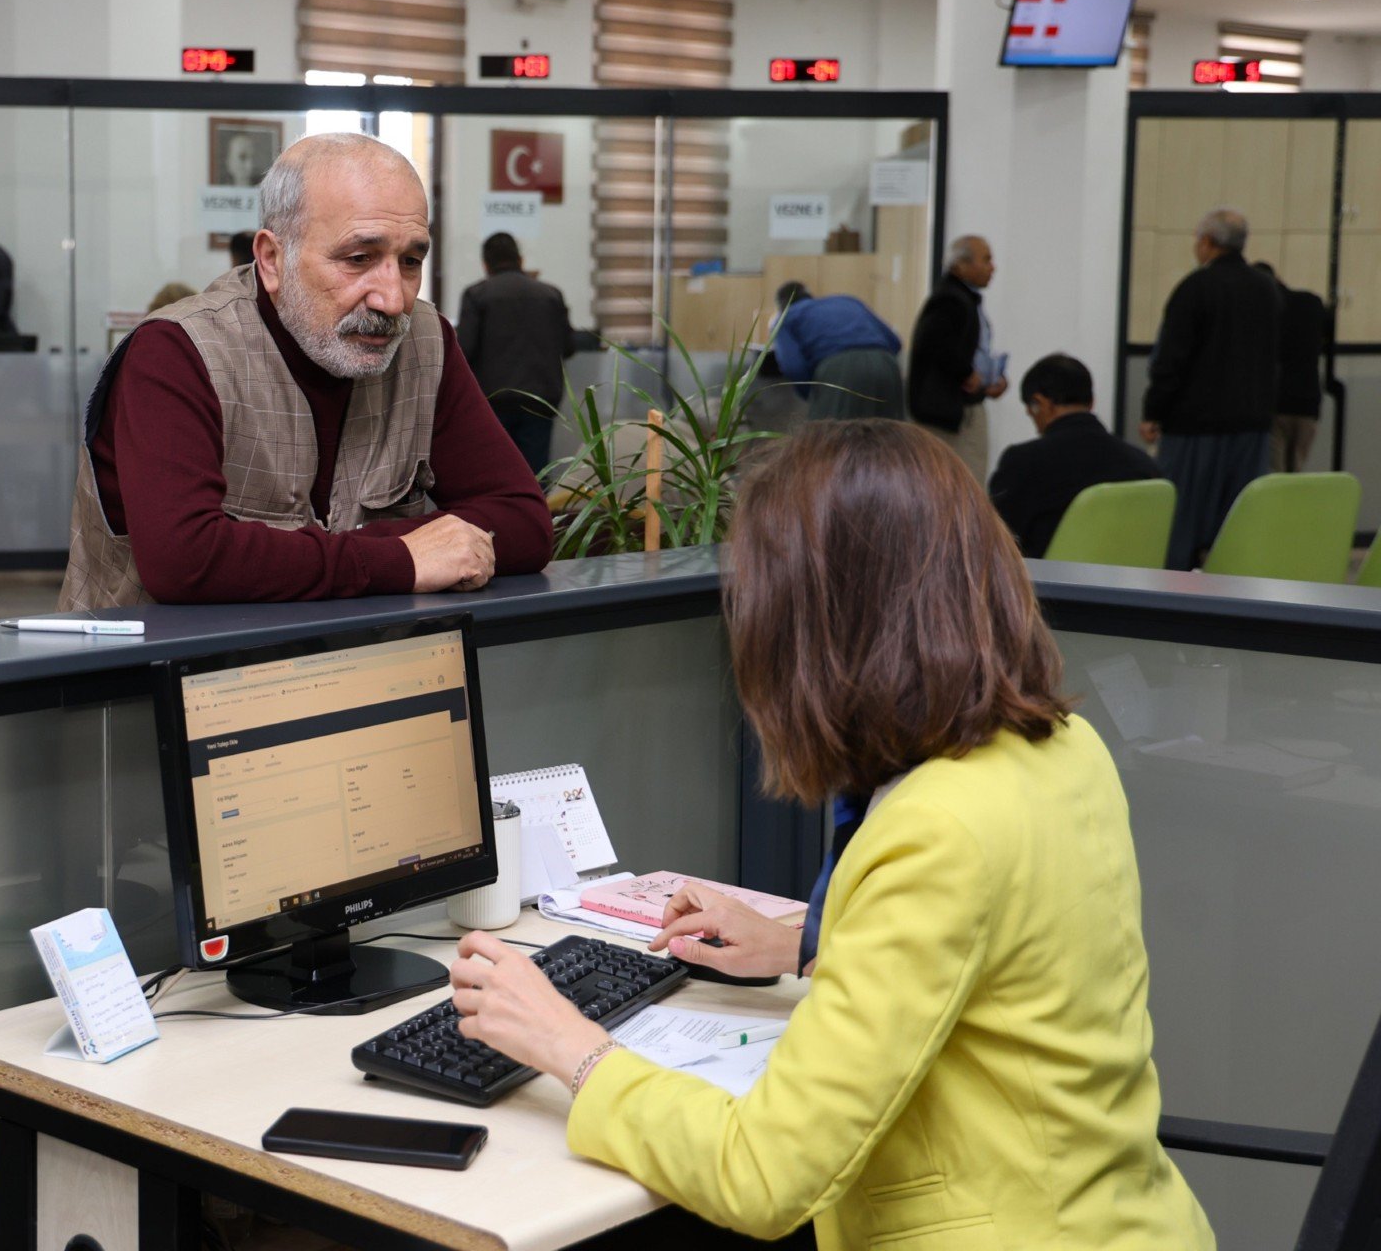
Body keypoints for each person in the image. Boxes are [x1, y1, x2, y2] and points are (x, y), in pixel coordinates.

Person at [447, 421, 1213, 1250]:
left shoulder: (936, 828)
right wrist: (801, 943)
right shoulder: (1062, 749)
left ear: (818, 627)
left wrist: (572, 1047)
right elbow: (1000, 962)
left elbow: (765, 1174)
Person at [56, 133, 553, 609]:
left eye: (410, 260)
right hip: (155, 683)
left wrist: (296, 558)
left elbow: (525, 524)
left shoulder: (424, 342)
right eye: (359, 258)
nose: (394, 298)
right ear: (272, 259)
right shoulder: (177, 350)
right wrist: (401, 557)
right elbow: (184, 560)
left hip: (349, 678)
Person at [1141, 209, 1281, 570]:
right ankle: (1231, 603)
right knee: (1236, 523)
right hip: (1252, 426)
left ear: (1206, 242)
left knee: (1179, 524)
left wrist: (1154, 411)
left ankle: (1168, 605)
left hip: (1194, 427)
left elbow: (1172, 359)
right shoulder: (1267, 290)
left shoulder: (1196, 287)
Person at [988, 353, 1162, 558]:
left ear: (1040, 403)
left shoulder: (1023, 461)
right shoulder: (1145, 465)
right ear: (1092, 402)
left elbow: (994, 543)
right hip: (1129, 586)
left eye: (1031, 413)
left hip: (1048, 587)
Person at [455, 232, 575, 475]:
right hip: (540, 400)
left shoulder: (476, 295)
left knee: (494, 474)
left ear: (485, 264)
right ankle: (536, 514)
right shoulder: (551, 294)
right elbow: (569, 347)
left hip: (492, 402)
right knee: (536, 475)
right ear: (520, 260)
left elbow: (464, 351)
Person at [907, 235, 1006, 481]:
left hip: (957, 409)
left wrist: (990, 378)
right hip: (948, 415)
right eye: (986, 260)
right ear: (960, 266)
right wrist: (966, 373)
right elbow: (935, 343)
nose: (993, 267)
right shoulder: (950, 299)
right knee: (963, 485)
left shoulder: (963, 299)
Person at [770, 281, 903, 422]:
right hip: (886, 363)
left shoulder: (784, 318)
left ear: (781, 305)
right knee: (888, 434)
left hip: (839, 368)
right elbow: (895, 341)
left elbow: (792, 366)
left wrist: (813, 392)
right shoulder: (848, 301)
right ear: (808, 295)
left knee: (830, 436)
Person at [1255, 261, 1328, 473]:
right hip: (1308, 402)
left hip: (1275, 402)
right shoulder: (1311, 303)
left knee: (1275, 474)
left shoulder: (1265, 310)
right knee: (1296, 469)